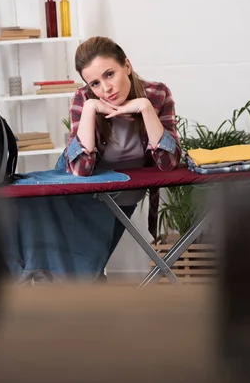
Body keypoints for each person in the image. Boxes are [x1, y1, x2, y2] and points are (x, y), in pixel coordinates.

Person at [64, 36, 182, 256]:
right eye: (95, 83)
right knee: (82, 265)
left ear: (126, 66)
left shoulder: (157, 95)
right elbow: (80, 170)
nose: (106, 88)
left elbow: (168, 163)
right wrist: (90, 108)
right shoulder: (84, 99)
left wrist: (145, 108)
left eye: (109, 74)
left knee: (94, 260)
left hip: (126, 192)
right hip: (85, 191)